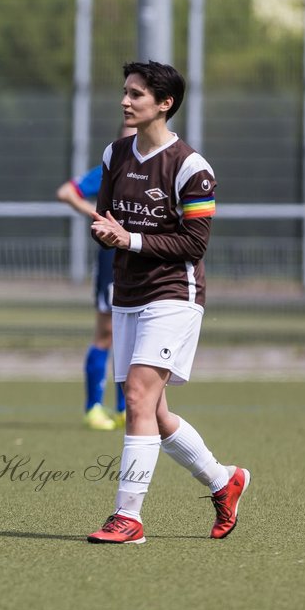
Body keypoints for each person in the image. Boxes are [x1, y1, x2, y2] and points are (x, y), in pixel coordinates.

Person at [86, 61, 250, 544]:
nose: (125, 101)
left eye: (136, 94)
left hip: (174, 295)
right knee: (153, 412)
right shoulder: (115, 153)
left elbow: (194, 245)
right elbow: (107, 222)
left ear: (165, 103)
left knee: (136, 396)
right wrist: (106, 232)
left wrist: (129, 239)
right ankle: (224, 481)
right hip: (128, 294)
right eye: (124, 92)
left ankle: (128, 517)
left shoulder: (192, 168)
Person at [55, 128, 136, 431]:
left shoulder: (157, 169)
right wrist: (97, 215)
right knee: (107, 332)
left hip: (143, 260)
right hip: (113, 262)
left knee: (135, 336)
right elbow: (66, 192)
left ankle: (125, 408)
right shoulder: (109, 170)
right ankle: (93, 408)